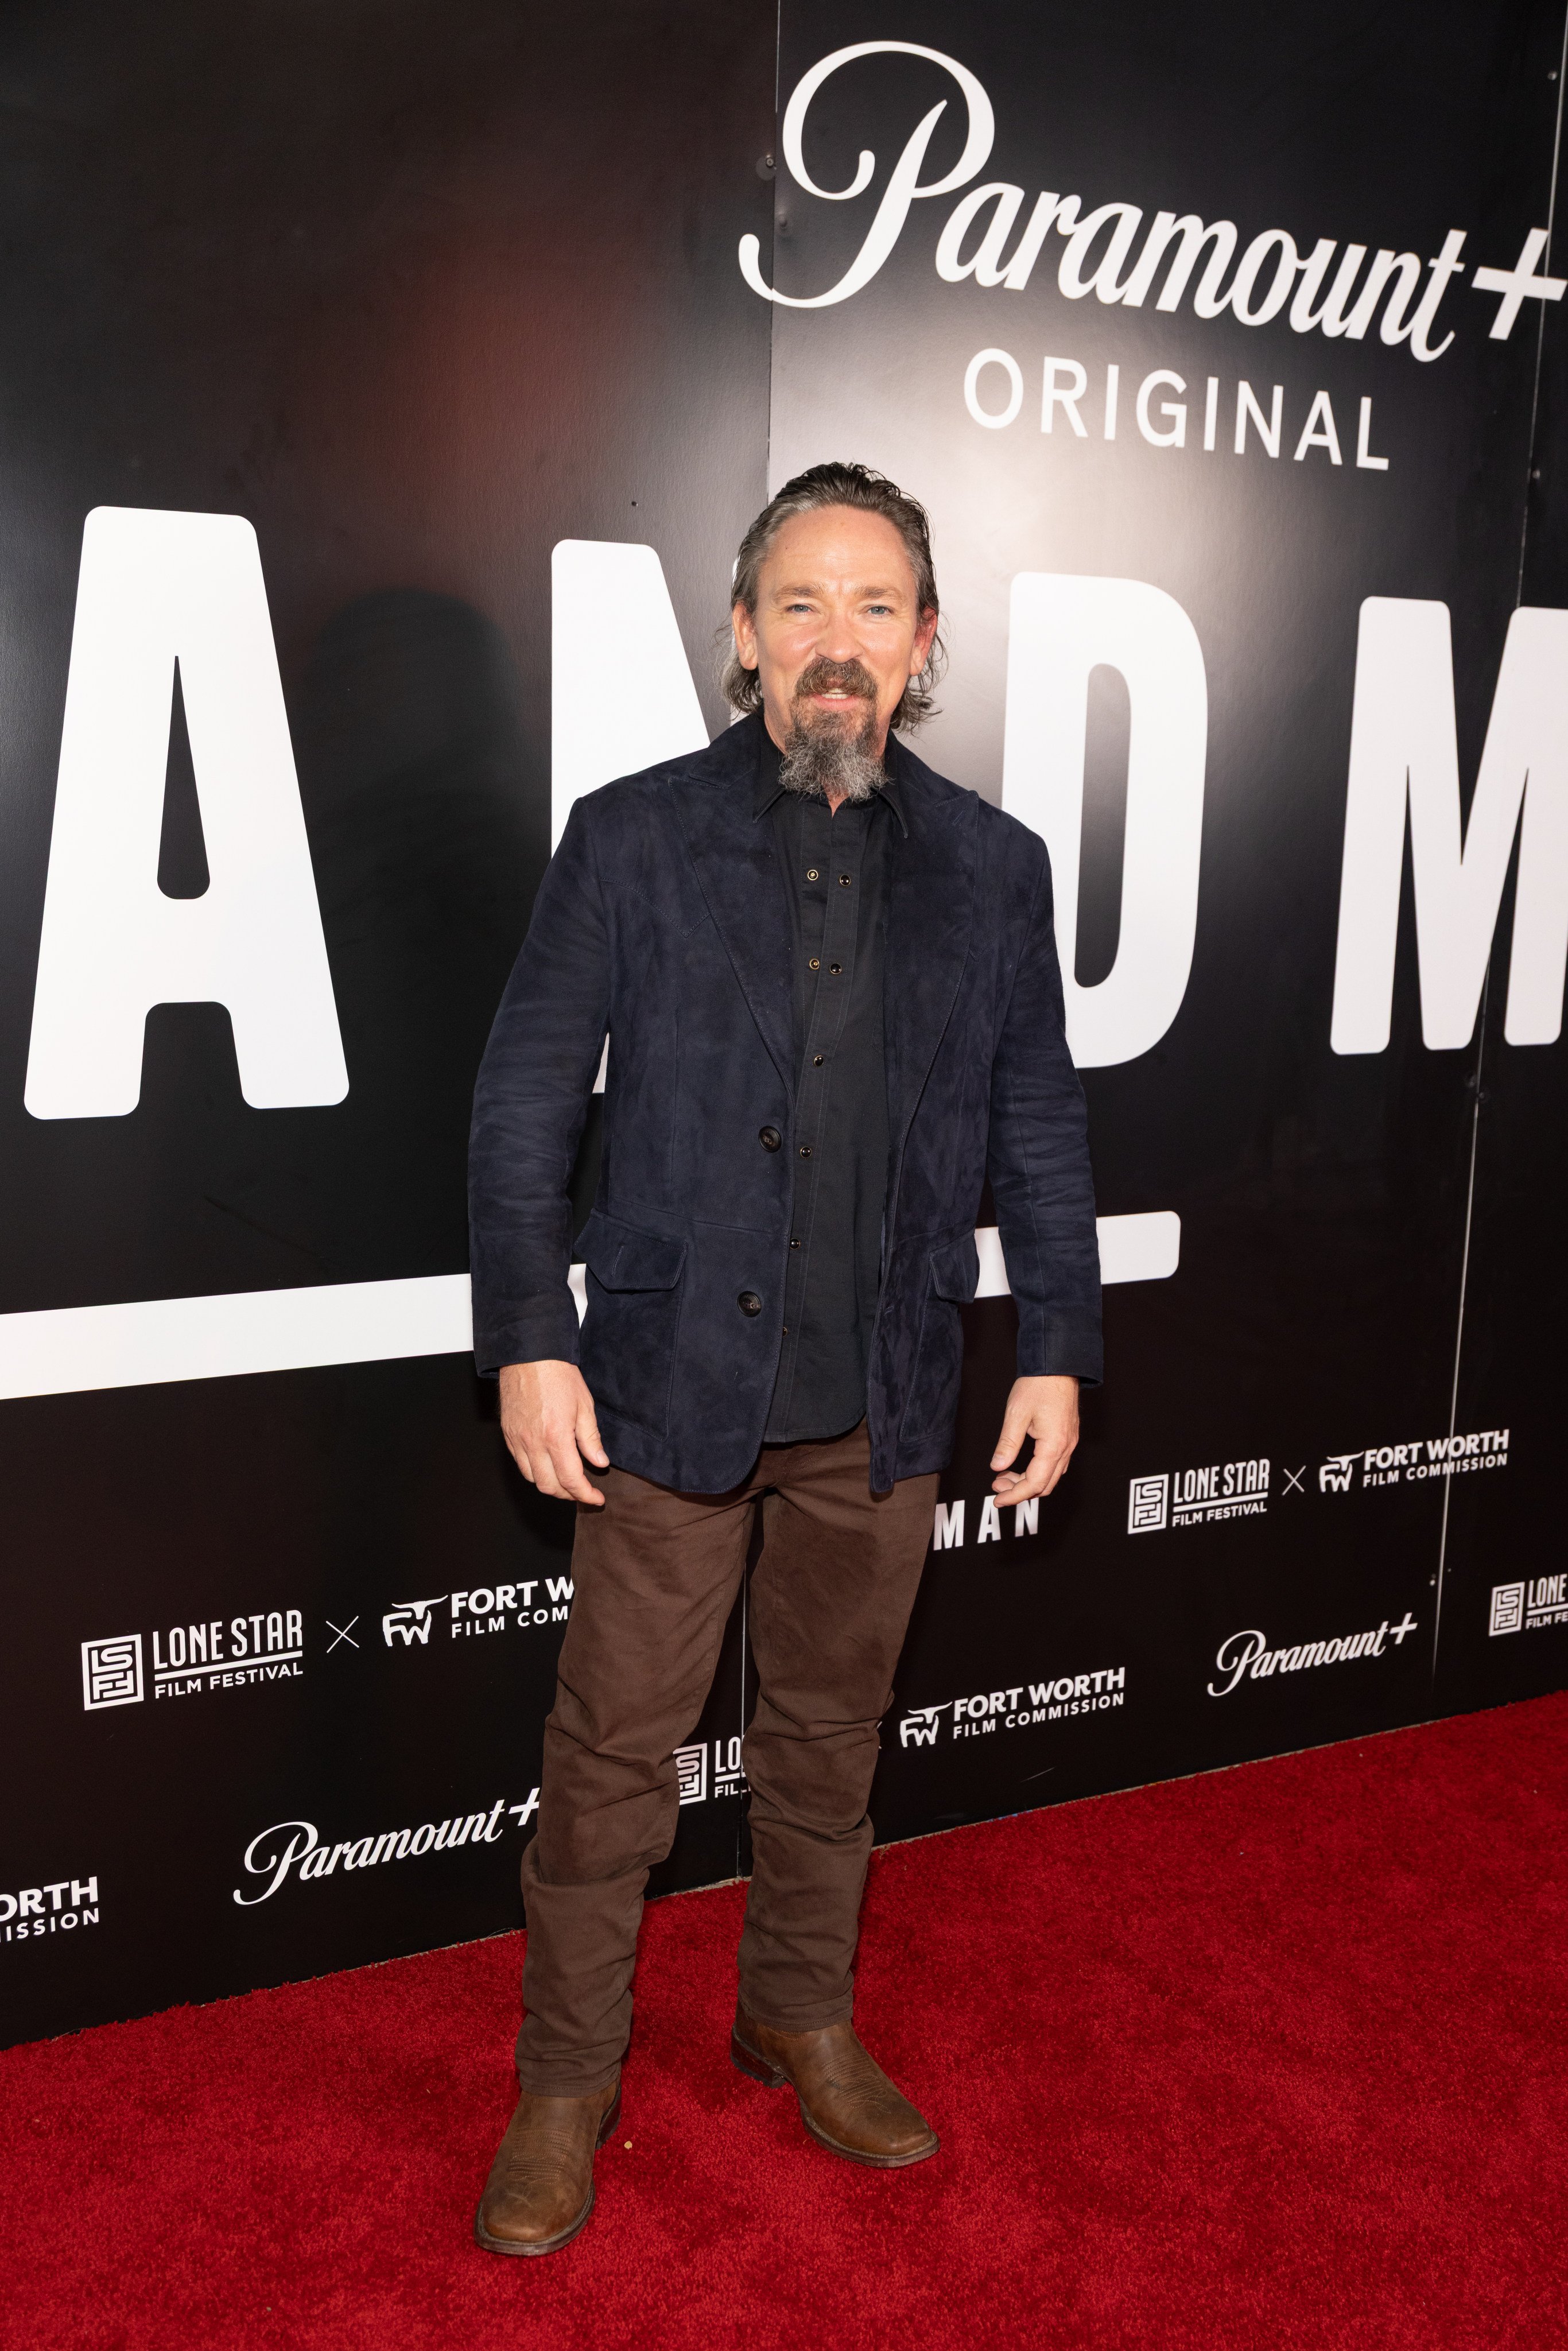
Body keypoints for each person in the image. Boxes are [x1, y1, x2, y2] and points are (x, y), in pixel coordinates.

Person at [467, 461, 1101, 2255]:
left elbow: (1035, 1121)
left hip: (883, 1398)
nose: (840, 643)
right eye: (802, 606)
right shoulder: (630, 836)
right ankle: (567, 2079)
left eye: (876, 607)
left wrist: (1051, 1339)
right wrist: (530, 1335)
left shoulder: (993, 868)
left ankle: (794, 2015)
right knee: (612, 1760)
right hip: (663, 1393)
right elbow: (521, 1116)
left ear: (922, 650)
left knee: (828, 1741)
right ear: (741, 640)